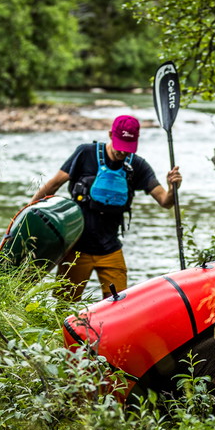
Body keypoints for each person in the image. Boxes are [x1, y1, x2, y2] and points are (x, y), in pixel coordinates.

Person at [30, 114, 182, 301]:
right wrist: (28, 213)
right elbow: (53, 185)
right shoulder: (85, 153)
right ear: (110, 135)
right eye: (120, 147)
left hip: (110, 250)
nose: (123, 153)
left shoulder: (138, 165)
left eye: (128, 148)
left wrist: (173, 187)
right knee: (64, 306)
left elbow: (165, 201)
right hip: (77, 249)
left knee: (119, 307)